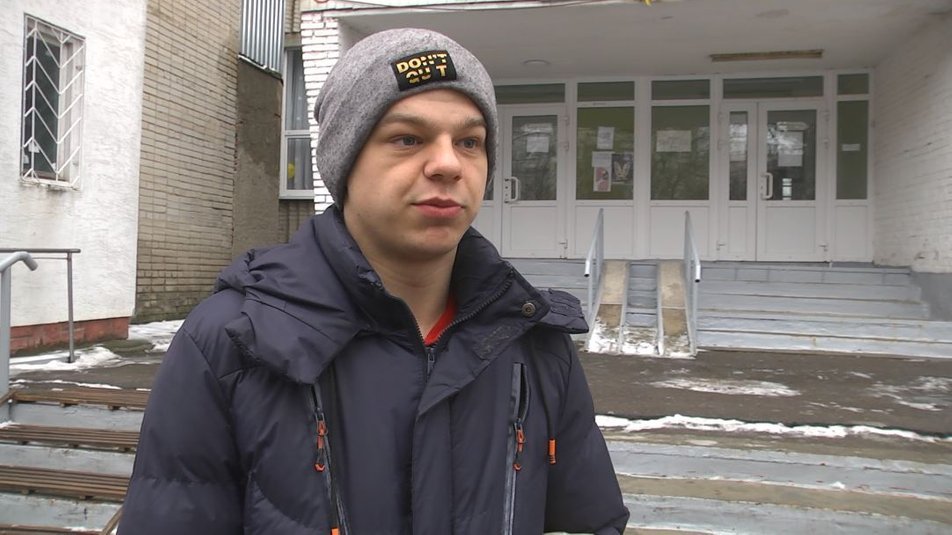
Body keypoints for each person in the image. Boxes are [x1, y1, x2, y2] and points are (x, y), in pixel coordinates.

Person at [121, 28, 629, 534]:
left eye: (469, 142)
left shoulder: (534, 345)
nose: (448, 164)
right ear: (345, 162)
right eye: (408, 138)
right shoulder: (233, 342)